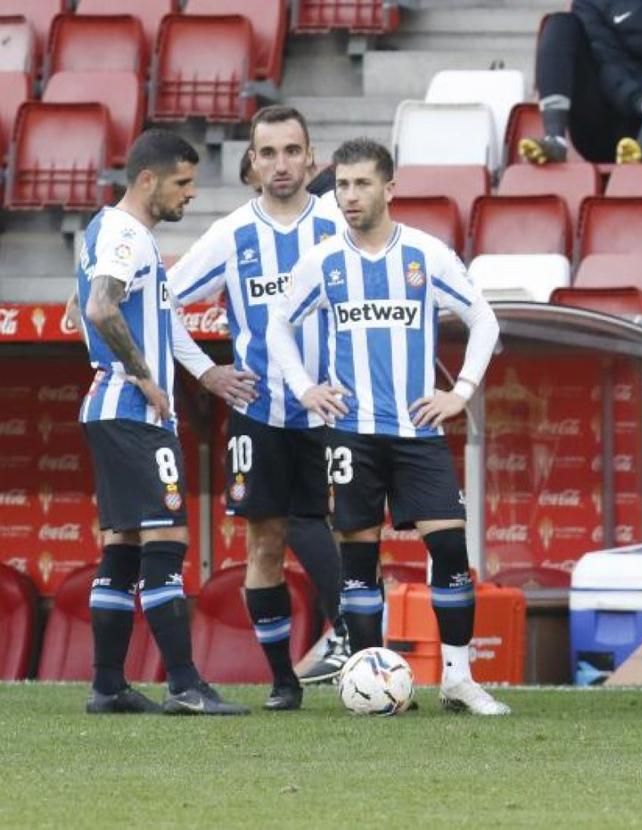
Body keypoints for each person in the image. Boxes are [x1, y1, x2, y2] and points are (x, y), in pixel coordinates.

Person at [268, 137, 510, 716]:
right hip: (350, 431)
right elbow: (278, 325)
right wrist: (306, 388)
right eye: (342, 185)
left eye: (361, 184)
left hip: (418, 428)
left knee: (448, 543)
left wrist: (461, 393)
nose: (349, 196)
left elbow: (484, 319)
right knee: (358, 556)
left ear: (388, 189)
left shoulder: (424, 254)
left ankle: (457, 678)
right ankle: (371, 684)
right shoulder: (323, 263)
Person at [167, 106, 351, 709]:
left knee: (357, 532)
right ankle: (283, 680)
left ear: (311, 158)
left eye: (291, 151)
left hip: (335, 408)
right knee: (266, 543)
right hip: (260, 411)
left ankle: (360, 647)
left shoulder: (338, 223)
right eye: (267, 153)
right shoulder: (231, 234)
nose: (280, 164)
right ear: (251, 162)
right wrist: (208, 372)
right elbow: (161, 303)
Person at [77, 129, 252, 715]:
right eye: (182, 182)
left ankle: (107, 686)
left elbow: (159, 317)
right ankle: (184, 684)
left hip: (110, 408)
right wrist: (146, 376)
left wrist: (205, 376)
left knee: (122, 546)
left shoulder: (119, 232)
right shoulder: (126, 234)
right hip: (132, 409)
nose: (191, 194)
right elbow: (100, 306)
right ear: (147, 179)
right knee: (167, 538)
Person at [520, 0, 642, 165]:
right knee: (559, 24)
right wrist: (640, 100)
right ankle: (555, 139)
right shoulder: (590, 4)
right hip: (612, 124)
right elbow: (607, 64)